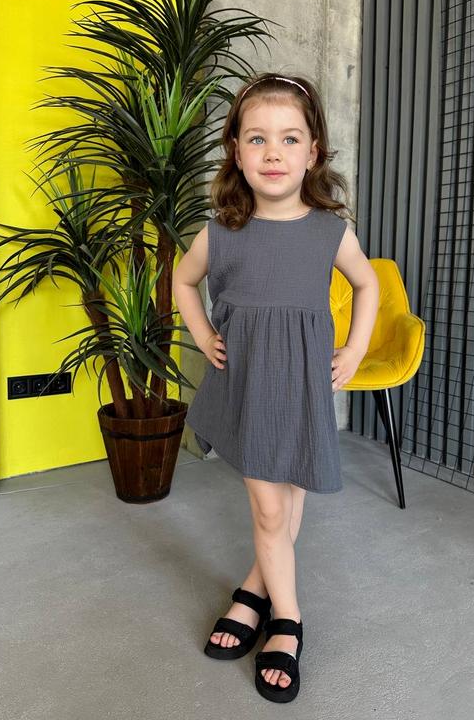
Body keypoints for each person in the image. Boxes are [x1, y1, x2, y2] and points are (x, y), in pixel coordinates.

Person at [172, 72, 379, 703]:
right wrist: (203, 333)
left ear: (313, 152)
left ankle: (253, 591)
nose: (273, 152)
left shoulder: (329, 231)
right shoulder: (221, 232)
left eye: (289, 138)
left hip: (304, 387)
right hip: (248, 387)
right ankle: (288, 621)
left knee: (288, 500)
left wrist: (355, 350)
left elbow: (367, 285)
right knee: (269, 508)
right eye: (257, 138)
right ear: (235, 151)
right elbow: (182, 280)